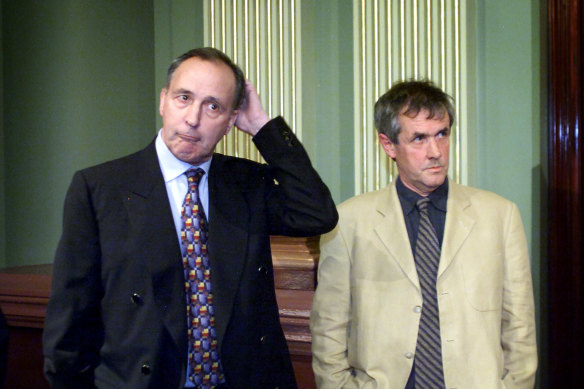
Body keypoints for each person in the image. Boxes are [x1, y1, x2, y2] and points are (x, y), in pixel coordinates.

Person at [42, 47, 338, 389]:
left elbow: (316, 213)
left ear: (230, 122)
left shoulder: (246, 184)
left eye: (213, 106)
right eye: (184, 98)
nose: (193, 118)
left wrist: (262, 127)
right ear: (163, 101)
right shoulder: (99, 188)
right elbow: (71, 316)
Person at [310, 80, 537, 388]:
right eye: (419, 138)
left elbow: (519, 327)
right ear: (389, 145)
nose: (435, 152)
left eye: (442, 134)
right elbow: (329, 329)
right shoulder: (348, 221)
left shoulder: (500, 215)